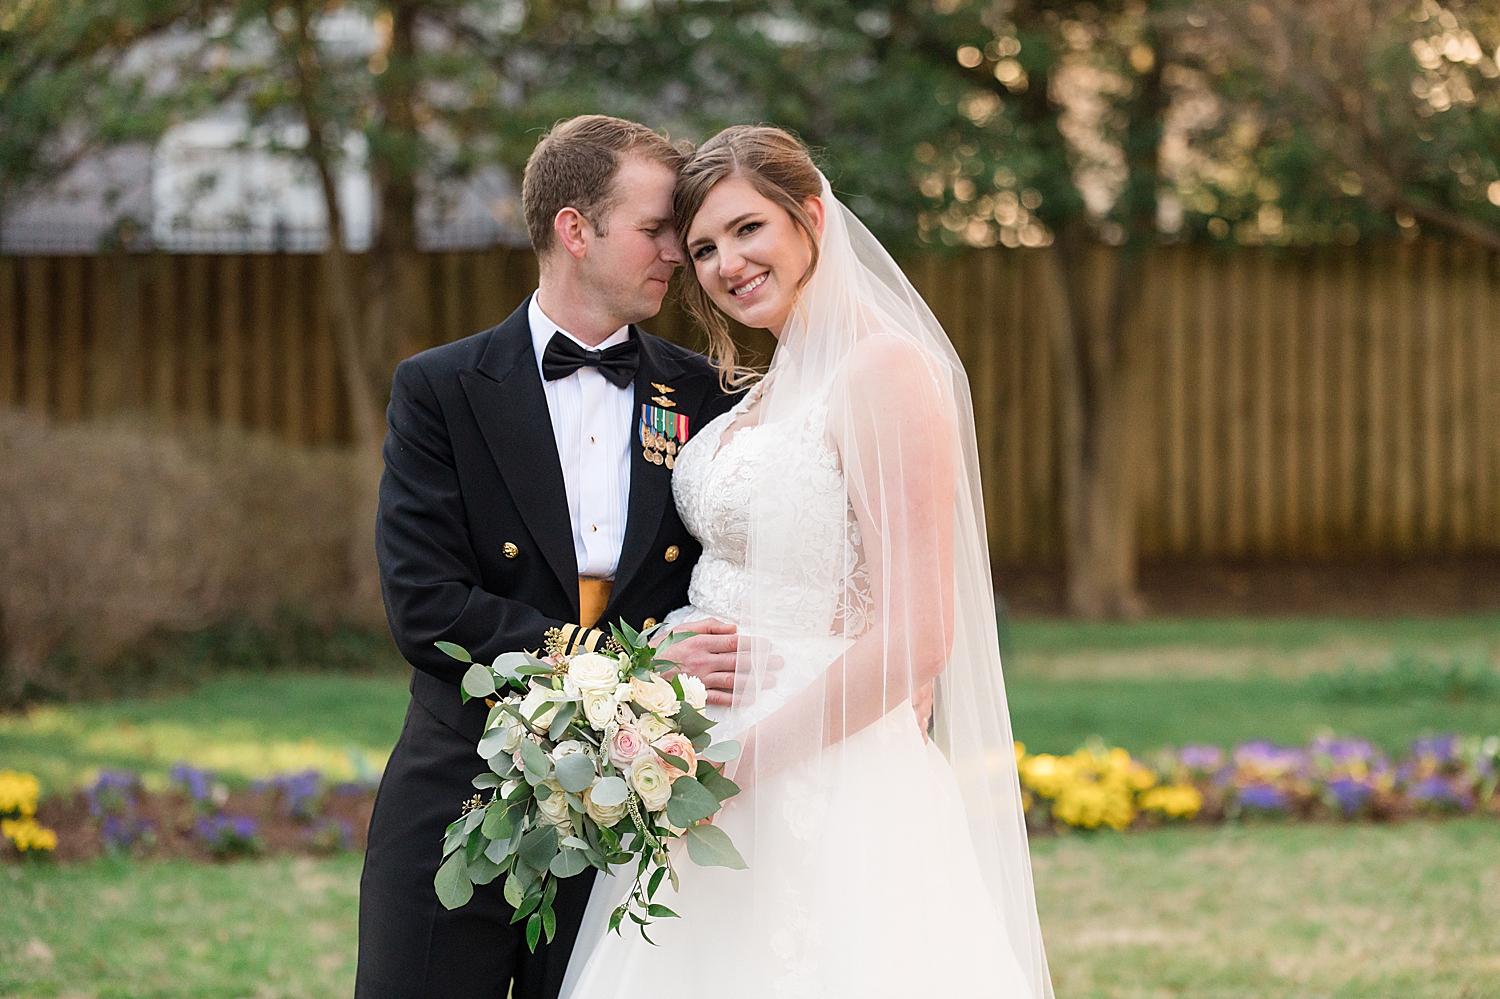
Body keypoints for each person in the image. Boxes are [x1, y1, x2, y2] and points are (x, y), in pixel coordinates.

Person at [560, 126, 1054, 999]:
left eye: (748, 229)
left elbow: (919, 635)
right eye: (704, 247)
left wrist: (735, 766)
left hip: (821, 774)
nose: (727, 262)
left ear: (811, 217)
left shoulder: (884, 372)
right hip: (705, 763)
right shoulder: (767, 385)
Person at [357, 115, 744, 999]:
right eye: (655, 230)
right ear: (575, 229)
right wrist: (629, 667)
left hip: (637, 810)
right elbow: (426, 606)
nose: (678, 254)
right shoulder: (441, 389)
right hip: (461, 787)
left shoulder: (709, 398)